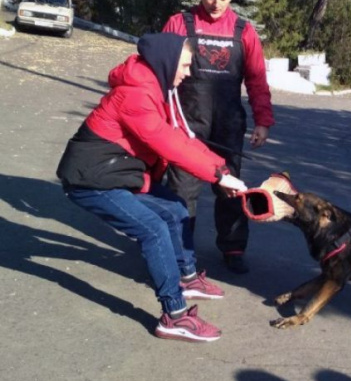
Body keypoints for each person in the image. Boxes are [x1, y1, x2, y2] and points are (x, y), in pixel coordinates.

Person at [57, 33, 248, 342]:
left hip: (117, 174)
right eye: (185, 65)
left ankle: (186, 278)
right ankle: (174, 316)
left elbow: (181, 138)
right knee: (153, 229)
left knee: (174, 208)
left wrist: (221, 168)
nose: (188, 72)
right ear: (167, 62)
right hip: (91, 180)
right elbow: (168, 144)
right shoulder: (136, 94)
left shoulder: (153, 87)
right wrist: (217, 177)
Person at [162, 0, 274, 275]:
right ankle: (179, 253)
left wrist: (262, 121)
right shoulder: (179, 24)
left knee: (231, 188)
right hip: (186, 124)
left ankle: (233, 248)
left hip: (227, 125)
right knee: (182, 191)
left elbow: (257, 80)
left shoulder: (244, 31)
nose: (216, 4)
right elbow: (160, 72)